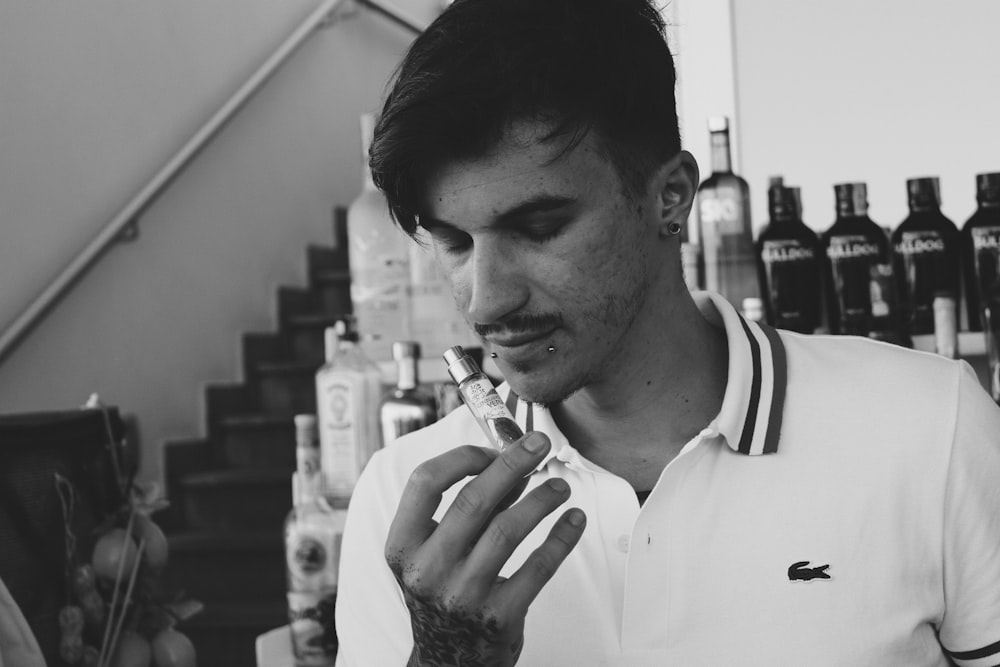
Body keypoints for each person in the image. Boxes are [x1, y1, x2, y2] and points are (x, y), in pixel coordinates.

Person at [334, 0, 1000, 664]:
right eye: (452, 241)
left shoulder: (930, 426)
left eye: (538, 229)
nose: (485, 297)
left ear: (671, 196)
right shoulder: (405, 503)